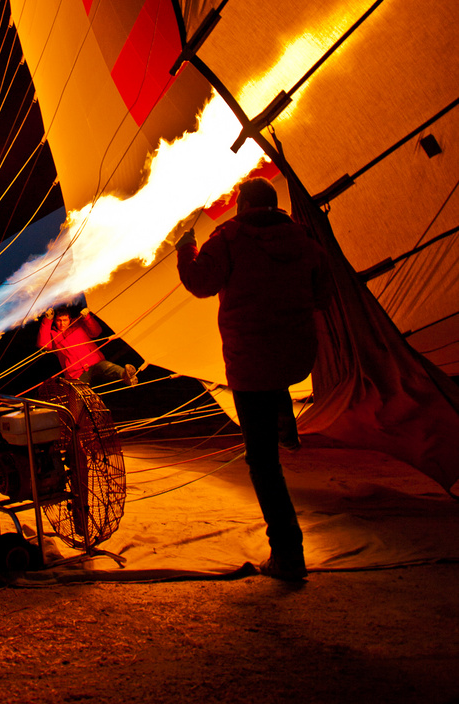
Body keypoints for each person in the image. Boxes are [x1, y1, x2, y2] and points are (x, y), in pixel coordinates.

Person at [176, 175, 332, 581]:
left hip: (251, 364)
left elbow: (199, 282)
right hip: (296, 357)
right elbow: (324, 294)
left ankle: (287, 553)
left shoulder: (230, 238)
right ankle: (285, 416)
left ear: (243, 207)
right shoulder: (303, 240)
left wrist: (185, 249)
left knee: (263, 462)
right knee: (275, 371)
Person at [37, 306, 138, 387]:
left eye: (65, 320)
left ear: (69, 318)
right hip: (76, 373)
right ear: (55, 321)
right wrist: (47, 320)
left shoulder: (78, 324)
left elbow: (96, 332)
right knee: (79, 396)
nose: (62, 324)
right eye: (59, 320)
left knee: (107, 367)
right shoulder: (53, 334)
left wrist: (87, 318)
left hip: (94, 363)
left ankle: (126, 376)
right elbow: (43, 345)